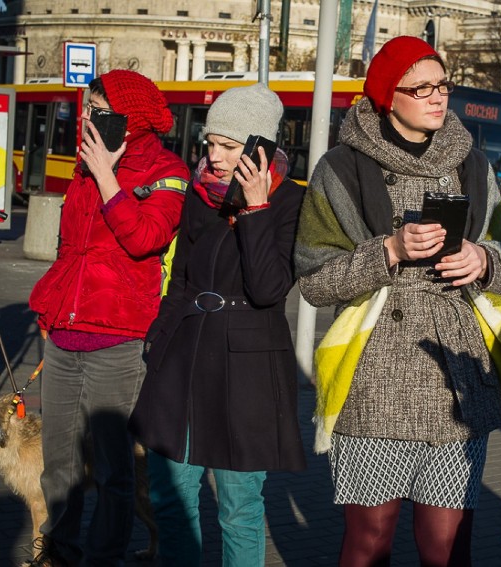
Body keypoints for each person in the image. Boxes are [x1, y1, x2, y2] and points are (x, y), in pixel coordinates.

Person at [294, 36, 501, 566]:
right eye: (423, 88)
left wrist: (484, 263)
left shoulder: (474, 164)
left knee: (447, 545)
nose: (439, 97)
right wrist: (388, 250)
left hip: (458, 375)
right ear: (389, 96)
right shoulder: (341, 169)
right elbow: (314, 279)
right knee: (369, 541)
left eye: (443, 85)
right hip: (376, 378)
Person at [128, 83, 307, 566]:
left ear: (259, 147)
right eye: (210, 144)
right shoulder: (198, 194)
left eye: (229, 146)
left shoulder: (290, 201)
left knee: (239, 510)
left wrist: (255, 207)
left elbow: (270, 289)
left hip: (246, 370)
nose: (215, 156)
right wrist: (158, 342)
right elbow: (181, 277)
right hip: (183, 357)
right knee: (172, 500)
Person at [28, 70, 189, 566]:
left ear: (129, 119)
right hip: (64, 334)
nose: (88, 118)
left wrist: (106, 176)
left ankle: (103, 558)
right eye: (87, 108)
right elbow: (69, 247)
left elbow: (145, 239)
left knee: (115, 471)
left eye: (99, 110)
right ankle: (59, 552)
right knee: (59, 464)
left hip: (117, 341)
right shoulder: (81, 165)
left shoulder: (167, 170)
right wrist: (50, 304)